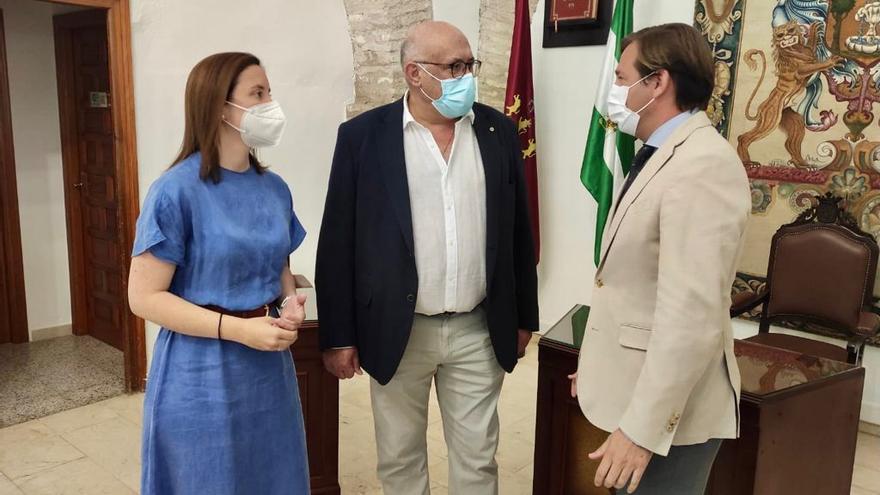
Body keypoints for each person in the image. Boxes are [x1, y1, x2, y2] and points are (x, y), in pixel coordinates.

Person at [315, 21, 538, 495]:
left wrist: (524, 318)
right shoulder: (362, 138)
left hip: (477, 328)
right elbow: (338, 240)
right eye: (454, 66)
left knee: (478, 461)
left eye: (470, 64)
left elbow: (519, 231)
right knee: (400, 461)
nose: (467, 76)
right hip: (398, 328)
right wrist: (338, 335)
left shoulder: (497, 131)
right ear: (414, 74)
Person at [570, 23, 751, 494]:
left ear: (658, 82)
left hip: (671, 420)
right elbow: (634, 284)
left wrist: (642, 431)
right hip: (635, 389)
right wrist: (598, 361)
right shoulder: (659, 152)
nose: (614, 90)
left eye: (621, 76)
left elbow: (691, 317)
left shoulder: (702, 165)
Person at [128, 52, 310, 494]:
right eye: (258, 94)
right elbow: (145, 297)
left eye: (270, 91)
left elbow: (280, 265)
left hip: (268, 370)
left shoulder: (274, 189)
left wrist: (289, 305)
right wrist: (238, 330)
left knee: (273, 477)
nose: (271, 104)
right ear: (219, 107)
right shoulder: (175, 191)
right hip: (200, 373)